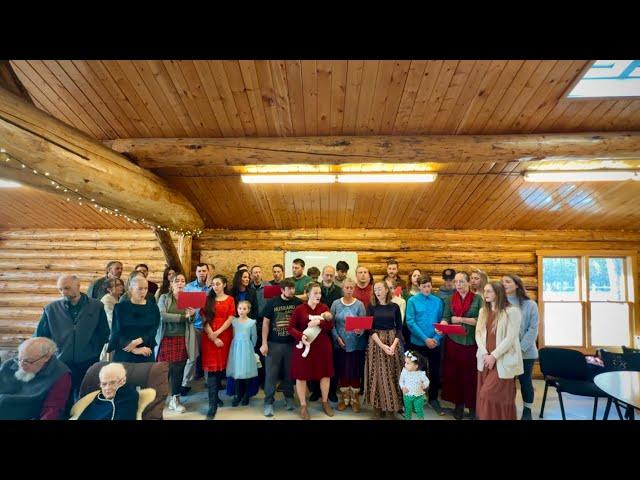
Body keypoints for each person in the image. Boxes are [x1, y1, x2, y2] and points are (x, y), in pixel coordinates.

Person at [35, 274, 110, 403]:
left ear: (78, 286)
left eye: (67, 288)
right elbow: (41, 336)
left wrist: (94, 349)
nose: (63, 292)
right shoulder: (51, 309)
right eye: (60, 289)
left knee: (87, 397)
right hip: (61, 362)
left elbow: (104, 333)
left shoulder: (97, 306)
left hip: (89, 360)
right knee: (63, 398)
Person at [475, 282, 523, 420]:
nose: (485, 294)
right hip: (485, 359)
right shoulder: (483, 311)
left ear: (498, 293)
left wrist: (494, 356)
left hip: (502, 359)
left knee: (488, 394)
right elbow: (478, 333)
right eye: (485, 291)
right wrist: (485, 353)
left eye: (489, 291)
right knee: (483, 396)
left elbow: (510, 337)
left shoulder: (512, 311)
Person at [288, 281, 334, 420]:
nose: (318, 295)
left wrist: (319, 322)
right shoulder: (299, 309)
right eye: (315, 293)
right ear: (308, 294)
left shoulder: (324, 307)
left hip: (322, 348)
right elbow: (291, 327)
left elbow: (330, 325)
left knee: (325, 375)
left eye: (319, 293)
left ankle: (325, 402)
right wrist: (300, 336)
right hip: (304, 347)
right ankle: (303, 405)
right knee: (301, 376)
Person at [440, 272, 482, 420]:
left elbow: (480, 320)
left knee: (471, 376)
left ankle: (472, 407)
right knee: (455, 375)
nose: (458, 284)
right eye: (456, 282)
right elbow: (446, 317)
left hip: (471, 343)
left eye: (462, 281)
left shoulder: (478, 299)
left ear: (468, 283)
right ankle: (459, 405)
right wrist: (443, 325)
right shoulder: (449, 299)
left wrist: (460, 319)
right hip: (454, 342)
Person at [0, 337, 71, 420]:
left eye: (28, 361)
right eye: (19, 359)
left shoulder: (61, 374)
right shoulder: (9, 364)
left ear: (46, 357)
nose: (21, 365)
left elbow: (53, 409)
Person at [156, 272, 197, 414]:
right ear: (172, 284)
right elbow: (161, 315)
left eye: (182, 281)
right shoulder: (164, 297)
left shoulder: (188, 299)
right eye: (177, 281)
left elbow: (191, 319)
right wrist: (183, 317)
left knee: (178, 370)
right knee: (163, 370)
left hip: (182, 338)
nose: (180, 283)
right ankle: (158, 399)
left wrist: (192, 315)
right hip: (166, 338)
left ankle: (175, 399)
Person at [405, 274, 445, 415]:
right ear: (419, 287)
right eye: (424, 287)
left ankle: (433, 399)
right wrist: (425, 339)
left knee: (434, 372)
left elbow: (442, 322)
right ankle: (416, 398)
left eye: (429, 286)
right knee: (417, 372)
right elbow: (410, 322)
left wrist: (435, 339)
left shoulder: (438, 301)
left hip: (434, 342)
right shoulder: (412, 301)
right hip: (418, 342)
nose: (427, 289)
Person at [260, 279, 300, 417]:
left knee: (289, 373)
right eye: (289, 289)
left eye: (293, 288)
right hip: (273, 343)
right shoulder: (272, 302)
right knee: (271, 374)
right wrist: (264, 343)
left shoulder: (298, 303)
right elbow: (265, 324)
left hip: (291, 344)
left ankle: (289, 398)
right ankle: (268, 402)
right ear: (282, 290)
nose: (292, 291)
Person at [364, 280, 403, 419]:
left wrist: (393, 345)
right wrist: (382, 345)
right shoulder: (371, 307)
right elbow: (370, 328)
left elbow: (399, 327)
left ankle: (391, 408)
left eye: (380, 289)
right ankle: (377, 407)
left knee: (392, 374)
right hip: (376, 342)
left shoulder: (395, 306)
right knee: (377, 375)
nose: (378, 292)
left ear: (387, 290)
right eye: (375, 289)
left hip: (393, 341)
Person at [502, 274, 539, 420]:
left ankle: (527, 410)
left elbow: (533, 329)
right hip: (506, 351)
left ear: (517, 285)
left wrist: (520, 348)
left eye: (508, 281)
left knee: (525, 382)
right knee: (507, 384)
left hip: (526, 352)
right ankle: (508, 408)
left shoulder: (530, 305)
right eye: (502, 282)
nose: (504, 284)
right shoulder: (501, 304)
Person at [201, 274, 235, 419]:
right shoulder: (207, 299)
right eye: (213, 284)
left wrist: (218, 333)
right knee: (212, 372)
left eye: (218, 284)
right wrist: (212, 336)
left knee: (221, 369)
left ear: (225, 284)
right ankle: (212, 405)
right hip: (209, 338)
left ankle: (215, 397)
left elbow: (231, 317)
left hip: (225, 336)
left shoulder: (230, 299)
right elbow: (204, 319)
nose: (215, 286)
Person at [331, 278, 367, 413]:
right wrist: (337, 338)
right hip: (340, 344)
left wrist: (360, 331)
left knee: (355, 371)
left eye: (352, 288)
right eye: (347, 287)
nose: (349, 290)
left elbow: (363, 325)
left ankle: (355, 399)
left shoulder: (360, 305)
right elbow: (332, 324)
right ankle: (345, 399)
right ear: (342, 288)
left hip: (356, 345)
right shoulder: (335, 304)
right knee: (343, 371)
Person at [73, 363, 154, 420]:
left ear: (123, 381)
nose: (107, 388)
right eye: (104, 384)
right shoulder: (98, 398)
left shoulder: (129, 396)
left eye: (112, 383)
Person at [108, 275, 160, 363]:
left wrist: (137, 342)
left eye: (145, 288)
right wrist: (134, 349)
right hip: (124, 353)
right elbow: (116, 333)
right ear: (131, 289)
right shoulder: (120, 308)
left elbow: (153, 331)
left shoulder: (153, 308)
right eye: (140, 289)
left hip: (146, 352)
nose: (143, 292)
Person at [181, 263, 211, 394]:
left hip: (209, 327)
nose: (202, 273)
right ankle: (185, 383)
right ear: (196, 272)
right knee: (192, 357)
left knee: (209, 355)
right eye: (199, 271)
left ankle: (209, 381)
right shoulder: (188, 287)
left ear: (208, 272)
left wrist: (209, 287)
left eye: (204, 271)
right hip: (194, 326)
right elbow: (183, 307)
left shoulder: (212, 287)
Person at [226, 300, 258, 407]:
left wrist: (250, 348)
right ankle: (237, 395)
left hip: (246, 348)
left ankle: (246, 395)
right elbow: (234, 335)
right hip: (236, 348)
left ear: (248, 310)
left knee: (246, 372)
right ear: (237, 309)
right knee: (236, 372)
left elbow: (254, 337)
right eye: (240, 308)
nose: (241, 311)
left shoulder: (251, 322)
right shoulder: (234, 321)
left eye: (244, 309)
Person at [99, 277, 125, 361]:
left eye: (121, 284)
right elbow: (112, 318)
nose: (121, 287)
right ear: (109, 289)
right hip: (111, 335)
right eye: (117, 285)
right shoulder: (107, 300)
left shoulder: (116, 299)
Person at [400, 350, 429, 420]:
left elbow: (426, 381)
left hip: (418, 396)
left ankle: (421, 418)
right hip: (407, 395)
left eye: (408, 363)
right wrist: (403, 387)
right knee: (408, 410)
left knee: (419, 409)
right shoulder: (404, 371)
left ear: (416, 366)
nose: (405, 365)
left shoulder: (421, 374)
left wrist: (424, 385)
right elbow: (401, 381)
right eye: (405, 362)